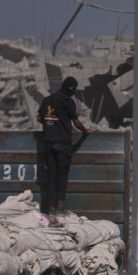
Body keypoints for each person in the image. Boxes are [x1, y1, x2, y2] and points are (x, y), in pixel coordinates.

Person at [37, 76, 92, 214]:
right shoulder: (68, 101)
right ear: (71, 88)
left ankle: (50, 207)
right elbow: (76, 122)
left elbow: (39, 118)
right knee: (62, 176)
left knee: (51, 176)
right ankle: (60, 207)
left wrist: (51, 126)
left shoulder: (47, 100)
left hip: (49, 143)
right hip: (63, 144)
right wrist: (85, 131)